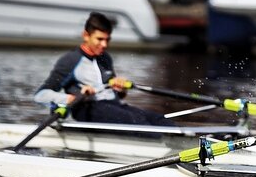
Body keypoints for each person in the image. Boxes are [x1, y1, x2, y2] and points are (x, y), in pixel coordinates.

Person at [34, 12, 174, 126]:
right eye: (100, 39)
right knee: (138, 122)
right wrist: (69, 98)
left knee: (160, 120)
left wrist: (120, 89)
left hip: (114, 107)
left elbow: (116, 95)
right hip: (89, 108)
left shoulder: (105, 58)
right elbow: (41, 95)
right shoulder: (70, 61)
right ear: (86, 36)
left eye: (107, 40)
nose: (104, 44)